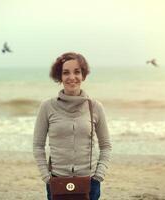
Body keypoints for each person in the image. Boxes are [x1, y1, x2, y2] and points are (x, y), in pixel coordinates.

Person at [33, 52, 112, 200]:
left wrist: (99, 175)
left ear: (83, 75)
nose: (72, 77)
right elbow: (38, 145)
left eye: (77, 72)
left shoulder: (95, 107)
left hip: (90, 182)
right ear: (59, 77)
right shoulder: (47, 107)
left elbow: (106, 145)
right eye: (65, 73)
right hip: (57, 181)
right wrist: (46, 177)